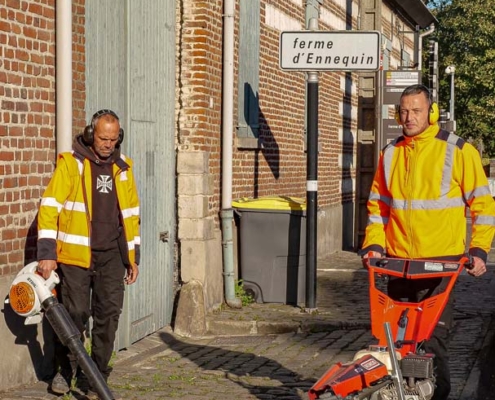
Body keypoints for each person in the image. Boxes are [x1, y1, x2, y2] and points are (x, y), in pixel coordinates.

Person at [360, 84, 495, 400]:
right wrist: (374, 244)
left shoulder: (458, 151)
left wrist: (478, 249)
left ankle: (437, 394)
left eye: (416, 110)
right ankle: (399, 392)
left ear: (432, 112)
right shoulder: (390, 154)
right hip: (396, 264)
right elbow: (378, 205)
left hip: (440, 265)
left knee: (432, 340)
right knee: (394, 339)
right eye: (403, 111)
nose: (409, 117)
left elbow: (483, 205)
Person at [37, 109, 141, 399]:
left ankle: (96, 374)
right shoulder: (71, 165)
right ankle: (64, 370)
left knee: (109, 315)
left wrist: (133, 258)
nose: (108, 144)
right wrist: (47, 253)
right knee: (74, 314)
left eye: (113, 138)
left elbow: (131, 216)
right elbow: (48, 208)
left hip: (111, 256)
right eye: (102, 138)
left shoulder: (124, 168)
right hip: (74, 256)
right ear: (90, 133)